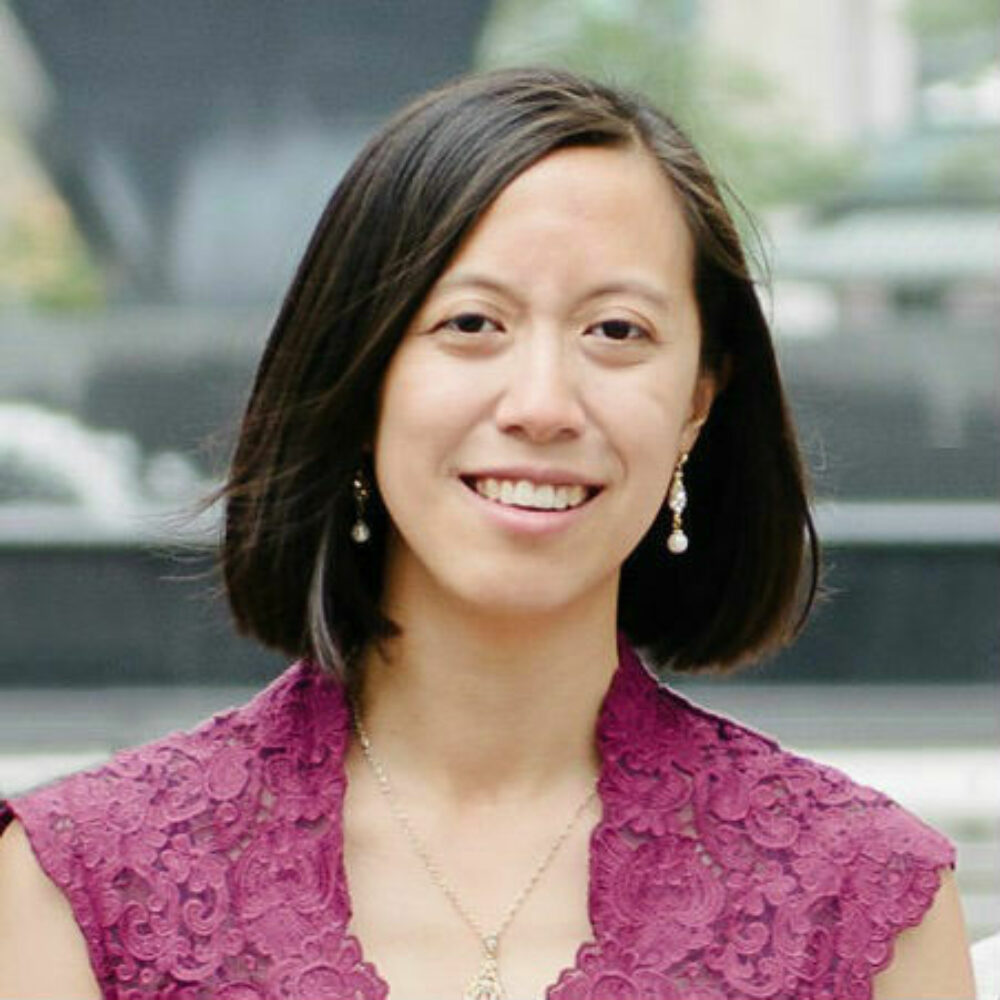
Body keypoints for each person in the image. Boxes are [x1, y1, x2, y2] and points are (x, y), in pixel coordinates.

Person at [0, 67, 975, 1000]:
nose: (542, 405)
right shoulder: (85, 885)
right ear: (361, 379)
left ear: (695, 404)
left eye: (616, 331)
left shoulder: (863, 901)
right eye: (472, 323)